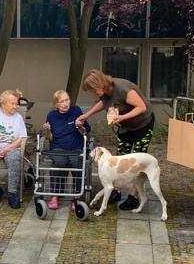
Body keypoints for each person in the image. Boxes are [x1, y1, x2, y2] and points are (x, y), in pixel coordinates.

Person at [75, 69, 154, 210]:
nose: (94, 93)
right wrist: (86, 115)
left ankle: (133, 197)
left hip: (143, 124)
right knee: (120, 157)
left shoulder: (122, 88)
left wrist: (122, 117)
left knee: (138, 160)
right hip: (126, 126)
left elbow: (141, 107)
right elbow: (104, 103)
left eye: (94, 89)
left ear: (100, 83)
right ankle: (115, 190)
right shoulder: (104, 92)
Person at [41, 90, 85, 212]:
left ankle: (77, 196)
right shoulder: (51, 116)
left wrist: (79, 126)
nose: (65, 103)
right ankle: (55, 195)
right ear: (56, 104)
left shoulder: (76, 111)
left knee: (76, 163)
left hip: (75, 146)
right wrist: (48, 130)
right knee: (59, 162)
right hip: (58, 146)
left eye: (67, 100)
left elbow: (84, 132)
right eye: (62, 101)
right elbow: (50, 138)